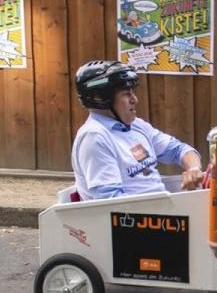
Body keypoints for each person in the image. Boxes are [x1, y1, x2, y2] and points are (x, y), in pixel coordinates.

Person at [71, 60, 204, 200]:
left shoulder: (137, 125)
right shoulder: (94, 137)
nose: (135, 99)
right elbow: (111, 204)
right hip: (136, 218)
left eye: (132, 92)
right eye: (126, 94)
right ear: (100, 98)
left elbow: (178, 150)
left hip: (160, 212)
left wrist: (193, 169)